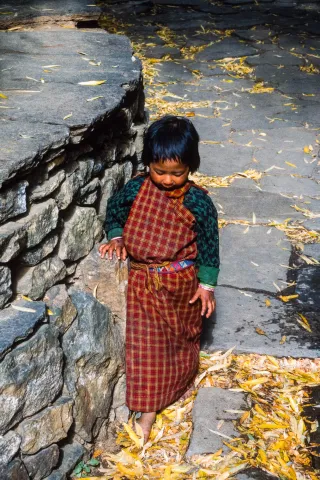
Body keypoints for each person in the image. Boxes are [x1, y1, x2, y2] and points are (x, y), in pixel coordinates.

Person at [99, 115, 220, 442]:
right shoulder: (137, 188)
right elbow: (115, 211)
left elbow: (209, 245)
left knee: (179, 339)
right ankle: (147, 414)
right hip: (143, 283)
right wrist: (116, 237)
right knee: (147, 348)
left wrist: (206, 286)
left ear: (191, 166)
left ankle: (180, 379)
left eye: (176, 173)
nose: (167, 180)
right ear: (148, 162)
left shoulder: (198, 201)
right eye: (160, 171)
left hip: (180, 285)